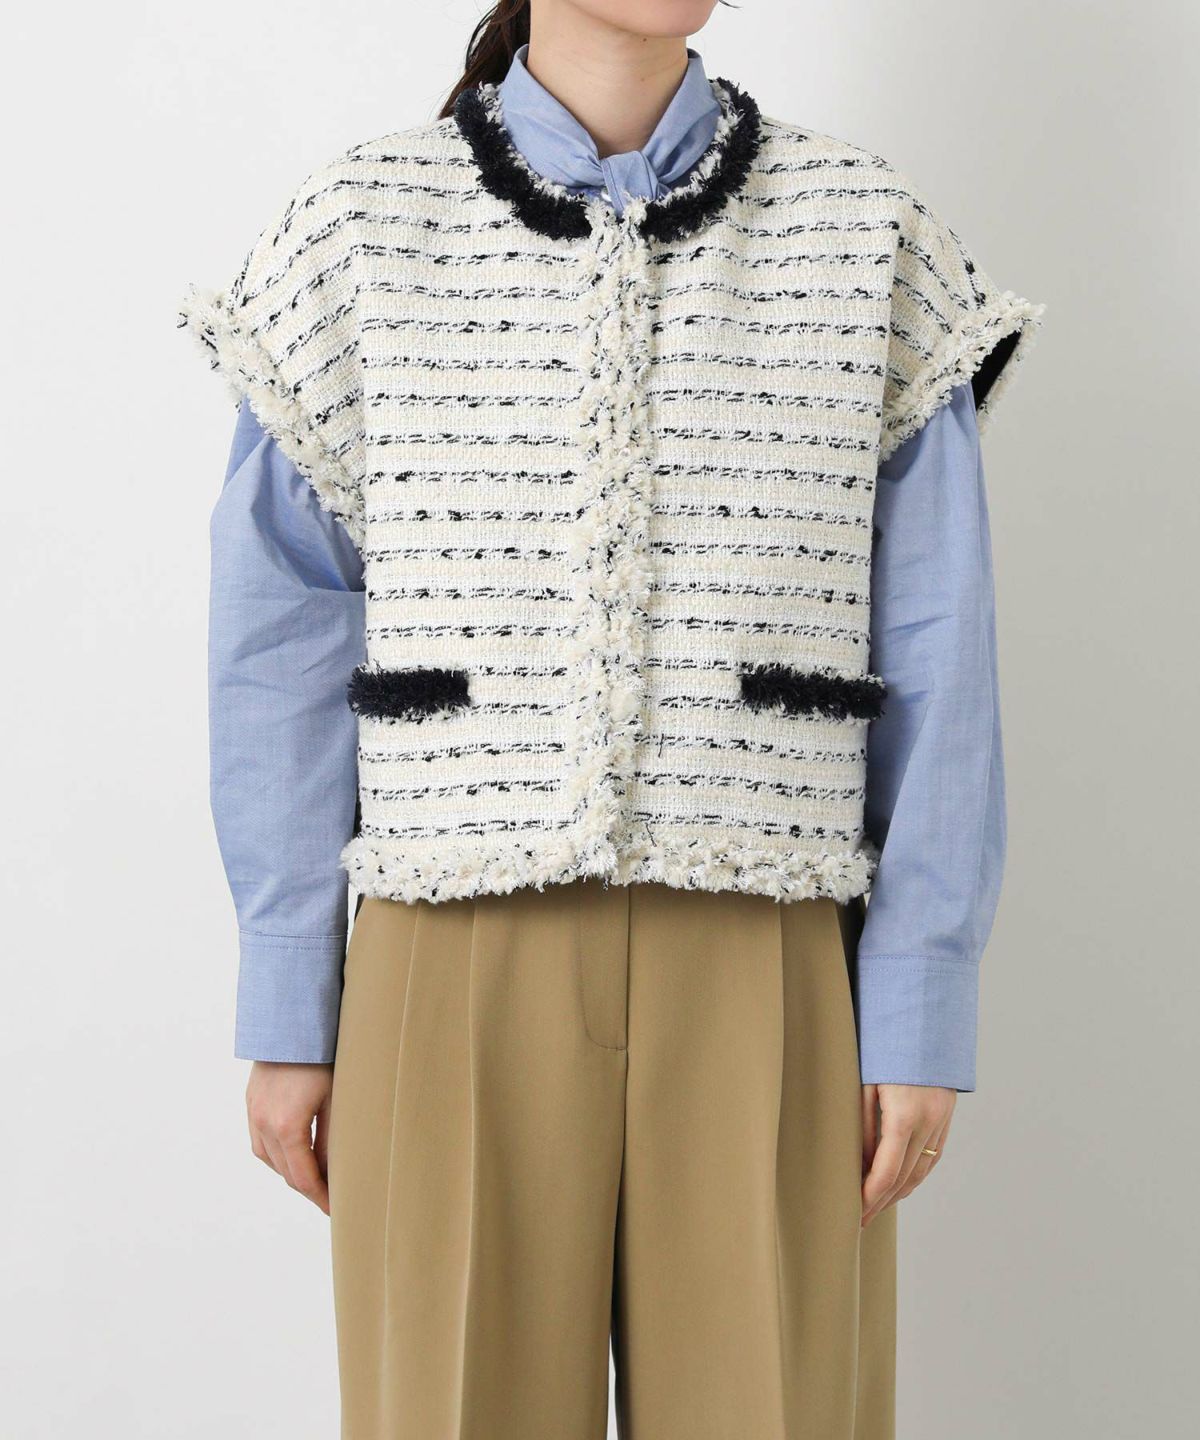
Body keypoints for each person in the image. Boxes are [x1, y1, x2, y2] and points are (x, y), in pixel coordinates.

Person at [180, 1, 1041, 1435]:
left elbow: (942, 645)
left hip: (770, 952)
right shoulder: (356, 233)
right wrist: (288, 989)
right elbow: (277, 635)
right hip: (447, 944)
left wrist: (920, 993)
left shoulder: (866, 235)